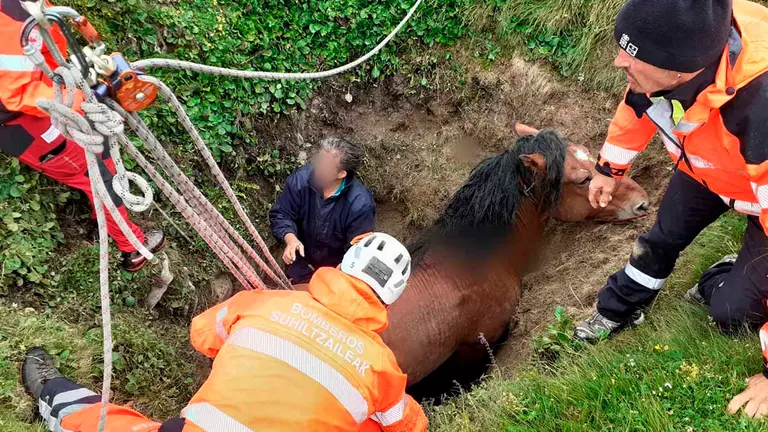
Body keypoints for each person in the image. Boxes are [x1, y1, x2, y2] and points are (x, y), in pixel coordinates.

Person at [570, 0, 768, 417]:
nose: (617, 61)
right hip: (709, 168)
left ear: (680, 71)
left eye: (632, 57)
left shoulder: (760, 110)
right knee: (660, 239)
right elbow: (638, 102)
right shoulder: (684, 45)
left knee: (731, 313)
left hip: (757, 186)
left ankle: (731, 275)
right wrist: (609, 168)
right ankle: (615, 311)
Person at [22, 232, 428, 431]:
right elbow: (408, 425)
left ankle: (52, 393)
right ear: (390, 298)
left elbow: (203, 335)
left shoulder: (263, 302)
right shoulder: (382, 368)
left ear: (344, 264)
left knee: (106, 424)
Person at [0, 0, 164, 272]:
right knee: (96, 176)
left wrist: (76, 79)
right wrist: (78, 98)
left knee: (104, 153)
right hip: (25, 124)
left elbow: (48, 49)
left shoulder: (28, 5)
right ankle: (132, 247)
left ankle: (103, 218)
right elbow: (15, 93)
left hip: (49, 101)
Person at [270, 137, 375, 283]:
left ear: (341, 174)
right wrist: (291, 239)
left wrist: (337, 277)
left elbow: (357, 250)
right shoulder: (301, 180)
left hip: (335, 274)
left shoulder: (360, 204)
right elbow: (282, 213)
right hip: (301, 264)